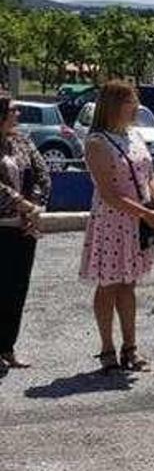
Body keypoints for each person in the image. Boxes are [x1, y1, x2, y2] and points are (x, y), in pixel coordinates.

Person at [80, 81, 154, 373]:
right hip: (113, 222)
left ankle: (130, 347)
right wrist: (145, 213)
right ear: (114, 105)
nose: (136, 107)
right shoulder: (97, 142)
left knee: (128, 283)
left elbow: (150, 175)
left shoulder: (134, 136)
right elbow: (108, 194)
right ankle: (107, 348)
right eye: (130, 102)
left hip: (138, 220)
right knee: (108, 284)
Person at [0, 97, 50, 370]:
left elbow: (42, 173)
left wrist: (35, 207)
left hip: (25, 227)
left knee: (17, 289)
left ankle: (7, 347)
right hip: (2, 227)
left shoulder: (22, 140)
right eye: (12, 110)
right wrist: (21, 203)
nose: (17, 113)